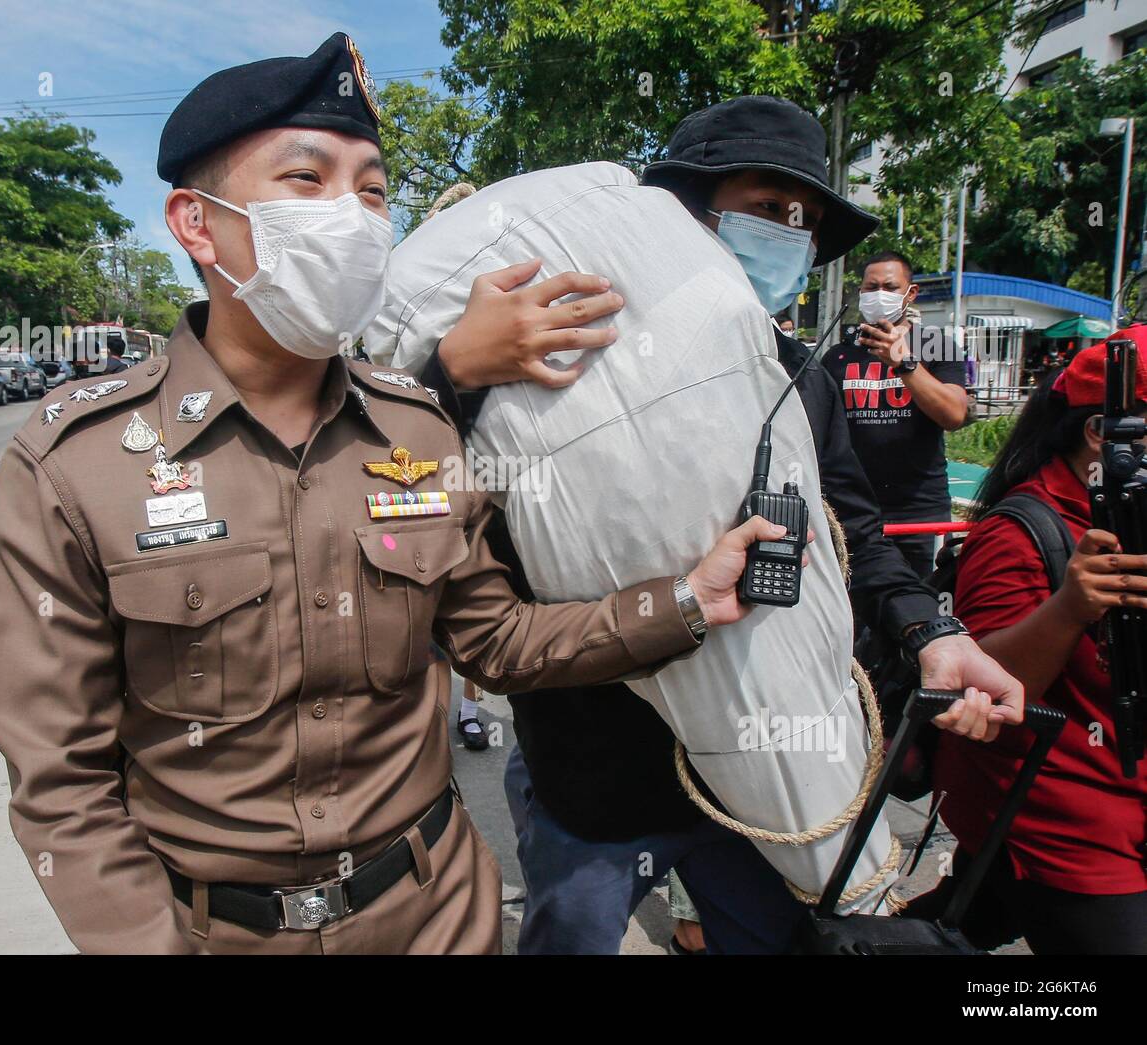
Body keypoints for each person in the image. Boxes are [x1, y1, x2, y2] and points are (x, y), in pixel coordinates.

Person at [0, 34, 786, 956]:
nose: (353, 217)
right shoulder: (75, 465)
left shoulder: (418, 429)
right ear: (196, 222)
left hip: (440, 914)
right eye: (306, 179)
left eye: (371, 189)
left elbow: (497, 639)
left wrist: (685, 601)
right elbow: (61, 783)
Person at [423, 95, 1023, 954]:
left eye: (804, 219)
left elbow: (854, 536)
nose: (788, 232)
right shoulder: (553, 361)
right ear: (682, 214)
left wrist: (931, 630)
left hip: (759, 780)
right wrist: (455, 377)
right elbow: (437, 491)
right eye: (765, 207)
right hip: (593, 770)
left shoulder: (798, 380)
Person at [907, 343, 1147, 954]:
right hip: (1066, 822)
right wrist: (1069, 607)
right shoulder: (1021, 533)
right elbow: (984, 691)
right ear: (1103, 434)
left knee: (965, 918)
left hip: (1125, 798)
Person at [821, 252, 970, 577]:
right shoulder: (839, 355)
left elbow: (954, 414)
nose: (878, 295)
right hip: (854, 510)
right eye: (871, 287)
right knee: (855, 613)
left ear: (910, 293)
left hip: (920, 512)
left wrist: (903, 363)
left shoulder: (935, 346)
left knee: (921, 606)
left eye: (889, 287)